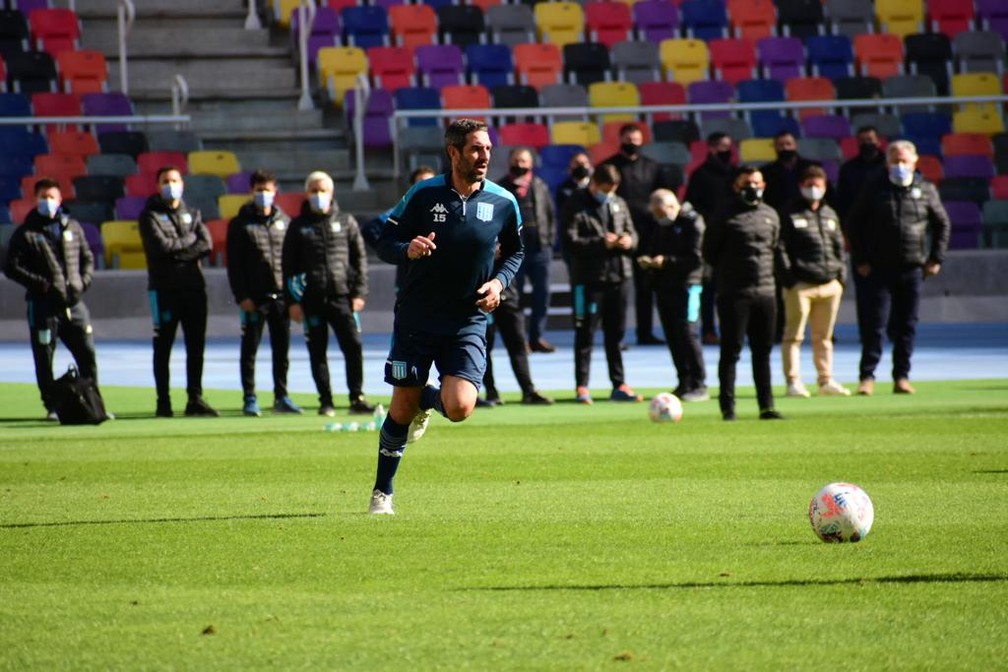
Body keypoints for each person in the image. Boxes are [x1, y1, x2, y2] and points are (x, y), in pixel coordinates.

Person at [369, 119, 524, 515]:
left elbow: (516, 252)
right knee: (400, 410)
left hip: (466, 321)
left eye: (487, 148)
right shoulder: (424, 194)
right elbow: (383, 239)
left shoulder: (504, 201)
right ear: (454, 153)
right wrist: (407, 249)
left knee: (460, 407)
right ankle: (382, 492)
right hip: (417, 319)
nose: (484, 156)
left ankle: (426, 396)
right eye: (475, 149)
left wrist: (498, 283)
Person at [845, 140, 950, 396]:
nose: (900, 165)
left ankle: (901, 376)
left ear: (914, 162)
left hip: (912, 268)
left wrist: (935, 258)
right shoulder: (874, 187)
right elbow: (853, 223)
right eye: (895, 161)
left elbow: (942, 224)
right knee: (875, 325)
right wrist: (861, 259)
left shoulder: (926, 189)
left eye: (904, 161)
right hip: (878, 268)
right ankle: (867, 377)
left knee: (907, 325)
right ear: (887, 163)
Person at [3, 178, 105, 421]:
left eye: (51, 197)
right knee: (45, 357)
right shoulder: (26, 233)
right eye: (43, 197)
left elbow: (87, 258)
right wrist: (41, 285)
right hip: (43, 306)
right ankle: (52, 405)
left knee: (87, 354)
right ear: (36, 199)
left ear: (60, 200)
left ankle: (94, 403)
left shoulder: (73, 228)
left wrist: (82, 282)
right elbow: (11, 267)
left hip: (74, 304)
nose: (47, 202)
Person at [282, 170, 375, 417]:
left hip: (342, 297)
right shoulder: (298, 226)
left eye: (323, 190)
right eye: (314, 190)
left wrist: (359, 293)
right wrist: (292, 301)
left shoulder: (346, 221)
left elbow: (359, 259)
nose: (318, 195)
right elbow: (288, 266)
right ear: (307, 193)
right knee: (317, 352)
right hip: (311, 299)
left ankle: (357, 397)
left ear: (331, 192)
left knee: (353, 346)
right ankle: (326, 400)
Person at [702, 165, 783, 421]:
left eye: (756, 183)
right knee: (731, 351)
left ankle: (766, 406)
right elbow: (709, 252)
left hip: (766, 292)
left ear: (764, 186)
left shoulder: (770, 214)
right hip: (734, 293)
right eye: (747, 183)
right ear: (736, 186)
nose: (752, 188)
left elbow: (775, 247)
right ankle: (728, 408)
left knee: (763, 352)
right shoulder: (724, 215)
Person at [138, 165, 217, 418]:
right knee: (163, 347)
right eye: (165, 181)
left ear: (182, 184)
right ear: (158, 185)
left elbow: (207, 244)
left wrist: (178, 253)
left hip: (194, 288)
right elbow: (160, 248)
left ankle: (195, 398)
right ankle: (163, 401)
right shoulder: (149, 216)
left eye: (174, 180)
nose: (170, 186)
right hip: (164, 290)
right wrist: (189, 242)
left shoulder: (193, 213)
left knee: (196, 346)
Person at [561, 163, 643, 405]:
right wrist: (600, 243)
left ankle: (619, 384)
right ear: (594, 183)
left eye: (613, 190)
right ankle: (582, 386)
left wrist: (629, 241)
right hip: (589, 280)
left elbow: (633, 233)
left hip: (619, 277)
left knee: (616, 335)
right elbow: (569, 240)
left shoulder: (619, 203)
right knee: (585, 334)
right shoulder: (575, 203)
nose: (609, 194)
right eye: (606, 189)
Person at [225, 169, 302, 417]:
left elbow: (291, 261)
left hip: (280, 296)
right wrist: (242, 296)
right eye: (259, 190)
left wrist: (292, 295)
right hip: (254, 298)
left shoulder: (285, 221)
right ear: (251, 191)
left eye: (267, 190)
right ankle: (250, 397)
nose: (263, 194)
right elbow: (234, 265)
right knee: (250, 349)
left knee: (282, 350)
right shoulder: (240, 224)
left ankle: (281, 396)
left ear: (275, 190)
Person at [600, 123, 679, 346]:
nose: (632, 143)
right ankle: (615, 337)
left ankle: (645, 332)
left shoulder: (653, 167)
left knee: (645, 287)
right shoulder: (610, 167)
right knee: (618, 289)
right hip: (619, 236)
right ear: (621, 140)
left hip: (648, 235)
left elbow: (665, 198)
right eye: (628, 139)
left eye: (636, 140)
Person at [777, 165, 850, 398]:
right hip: (801, 285)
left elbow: (839, 247)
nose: (813, 190)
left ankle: (825, 379)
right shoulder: (790, 213)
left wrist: (840, 277)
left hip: (829, 284)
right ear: (801, 186)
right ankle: (793, 381)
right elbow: (780, 248)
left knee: (824, 337)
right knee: (794, 336)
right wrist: (790, 280)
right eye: (809, 185)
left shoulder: (830, 213)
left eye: (817, 185)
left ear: (825, 187)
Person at [638, 189, 708, 402]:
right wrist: (650, 261)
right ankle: (684, 380)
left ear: (671, 206)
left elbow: (696, 258)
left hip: (688, 286)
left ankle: (699, 383)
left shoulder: (692, 222)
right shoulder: (660, 226)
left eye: (660, 213)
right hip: (665, 285)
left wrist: (666, 261)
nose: (658, 218)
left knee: (688, 333)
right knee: (672, 335)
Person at [498, 147, 557, 353]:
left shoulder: (539, 185)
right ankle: (520, 339)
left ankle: (537, 337)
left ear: (531, 164)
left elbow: (550, 215)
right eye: (516, 160)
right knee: (516, 298)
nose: (520, 165)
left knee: (543, 295)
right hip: (514, 253)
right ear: (509, 162)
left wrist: (549, 241)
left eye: (524, 161)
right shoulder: (501, 188)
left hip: (540, 250)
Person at [684, 132, 736, 346]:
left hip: (733, 236)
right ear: (712, 148)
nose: (727, 151)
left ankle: (732, 328)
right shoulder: (700, 175)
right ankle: (708, 329)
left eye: (729, 146)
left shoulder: (735, 173)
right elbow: (692, 204)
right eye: (723, 146)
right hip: (709, 236)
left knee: (732, 288)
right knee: (708, 286)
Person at [359, 165, 438, 295]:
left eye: (430, 183)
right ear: (412, 187)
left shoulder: (444, 209)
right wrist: (398, 249)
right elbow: (370, 229)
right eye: (421, 184)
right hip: (408, 283)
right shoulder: (403, 210)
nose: (427, 188)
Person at [478, 276, 554, 408]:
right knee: (485, 346)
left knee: (518, 344)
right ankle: (491, 391)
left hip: (509, 295)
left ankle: (528, 390)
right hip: (484, 297)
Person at [836, 125, 887, 221]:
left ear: (878, 142)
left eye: (870, 139)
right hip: (858, 219)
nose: (866, 143)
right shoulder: (848, 168)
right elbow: (842, 198)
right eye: (862, 140)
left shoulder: (888, 166)